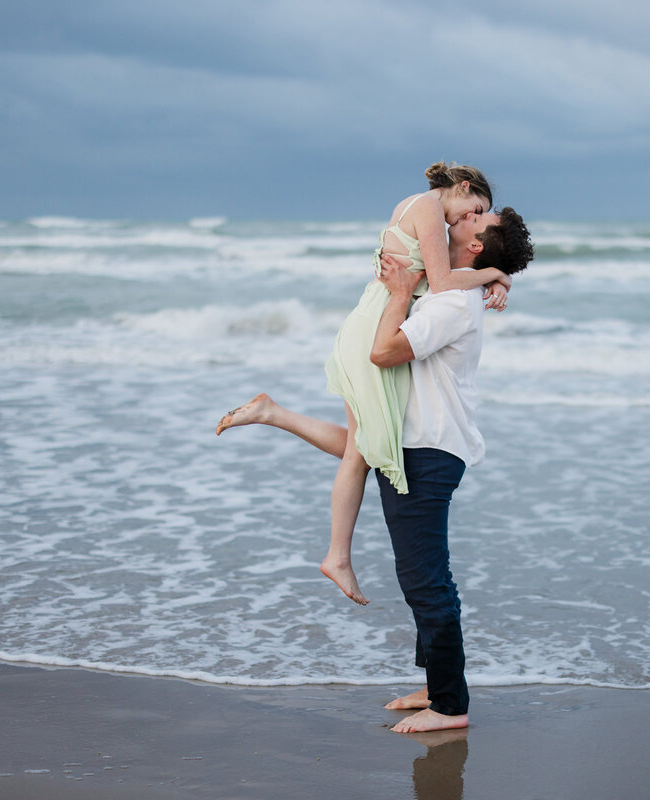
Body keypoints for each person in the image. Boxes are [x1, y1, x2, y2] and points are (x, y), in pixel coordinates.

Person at [218, 207, 535, 733]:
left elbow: (384, 352)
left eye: (479, 218)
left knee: (425, 579)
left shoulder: (452, 301)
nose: (465, 215)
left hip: (427, 451)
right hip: (417, 441)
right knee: (407, 545)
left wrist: (396, 295)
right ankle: (437, 685)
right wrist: (493, 277)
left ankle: (451, 707)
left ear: (477, 245)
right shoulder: (452, 288)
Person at [266, 162, 515, 607]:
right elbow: (440, 283)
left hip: (378, 315)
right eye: (475, 208)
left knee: (365, 445)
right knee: (362, 448)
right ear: (462, 188)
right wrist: (492, 275)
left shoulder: (420, 207)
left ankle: (273, 414)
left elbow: (440, 281)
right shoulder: (427, 208)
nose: (468, 219)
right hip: (378, 324)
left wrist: (495, 275)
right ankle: (337, 555)